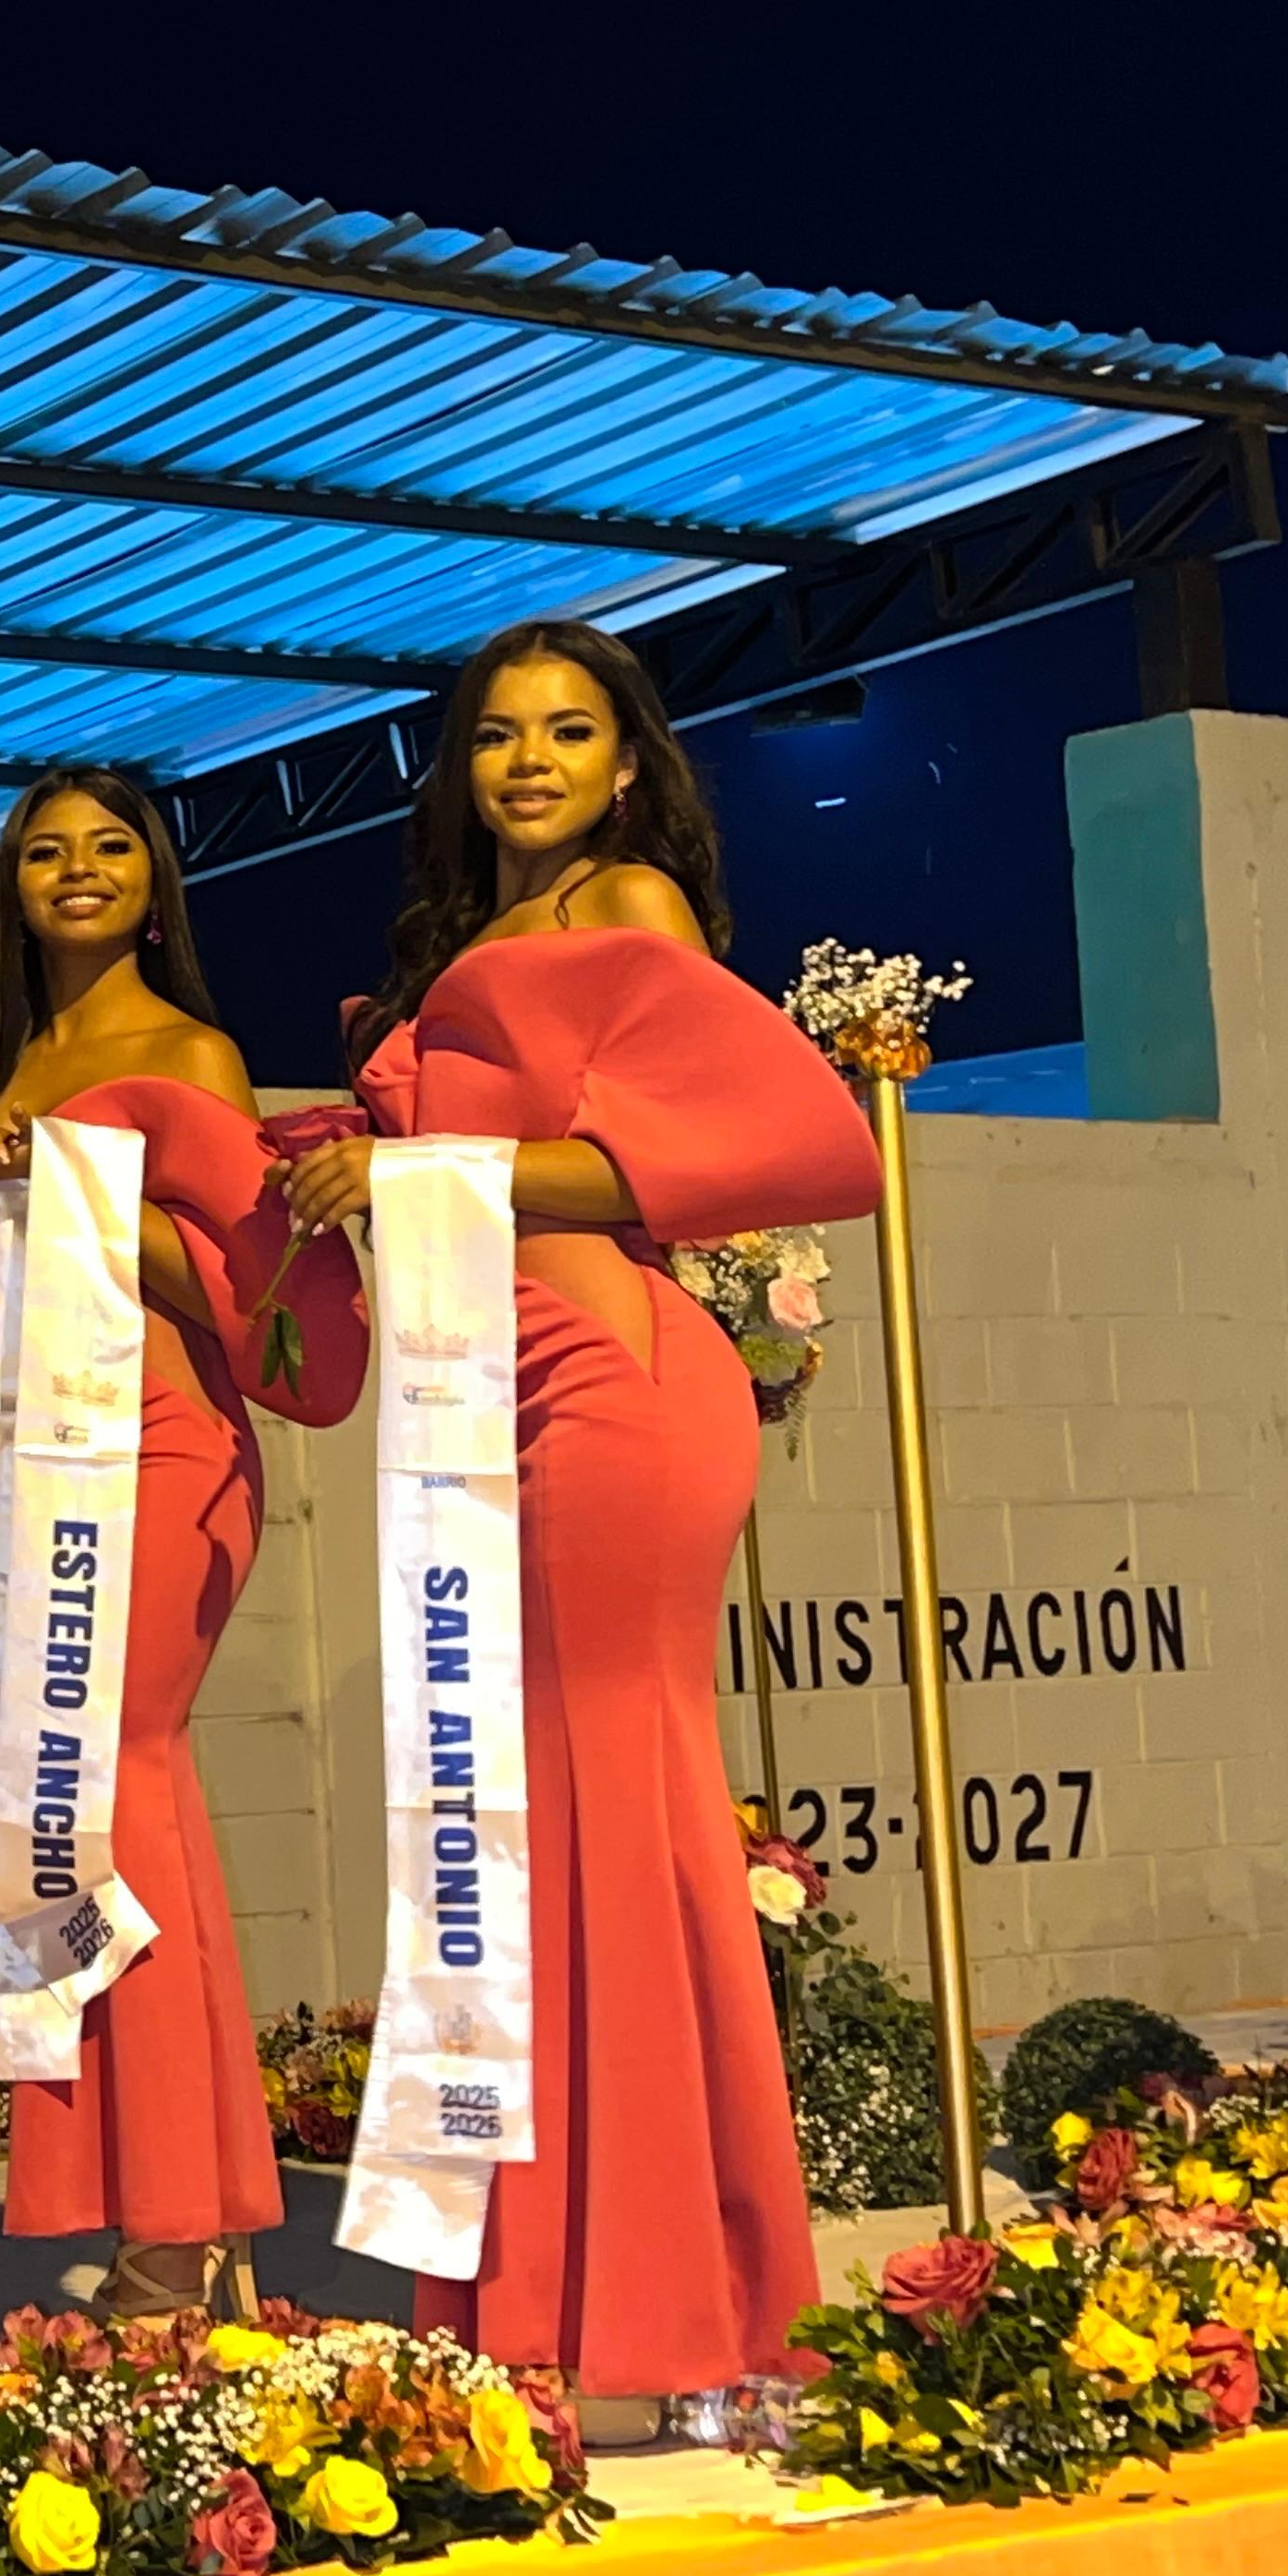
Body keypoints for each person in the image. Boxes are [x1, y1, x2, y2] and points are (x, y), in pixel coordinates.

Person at [283, 617, 878, 2422]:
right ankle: (543, 2290)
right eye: (496, 735)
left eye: (565, 731)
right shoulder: (465, 942)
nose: (528, 761)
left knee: (613, 1813)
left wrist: (414, 1165)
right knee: (512, 1828)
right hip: (484, 1393)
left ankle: (671, 2306)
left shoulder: (631, 909)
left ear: (628, 765)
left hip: (610, 1388)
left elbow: (683, 1161)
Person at [0, 769, 367, 2319]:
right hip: (20, 1468)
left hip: (157, 1448)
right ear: (8, 887)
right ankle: (161, 2198)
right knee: (80, 1812)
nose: (77, 871)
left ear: (156, 883)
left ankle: (182, 2218)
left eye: (109, 847)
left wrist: (69, 1184)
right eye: (43, 853)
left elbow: (236, 1283)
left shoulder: (190, 1053)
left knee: (124, 1788)